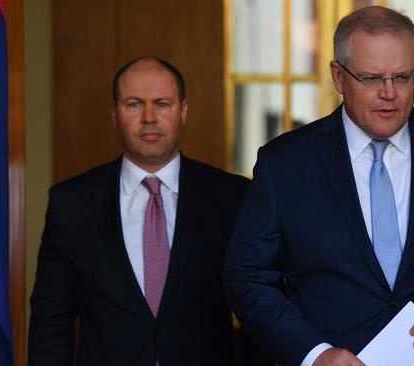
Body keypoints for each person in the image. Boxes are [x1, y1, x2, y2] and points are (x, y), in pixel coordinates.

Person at [223, 6, 414, 366]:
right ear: (338, 77)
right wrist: (314, 354)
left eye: (402, 77)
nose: (390, 93)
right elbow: (247, 277)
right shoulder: (285, 164)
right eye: (372, 78)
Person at [28, 57, 249, 365]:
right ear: (114, 114)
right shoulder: (72, 203)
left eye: (162, 104)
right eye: (134, 104)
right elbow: (51, 319)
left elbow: (256, 309)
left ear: (183, 111)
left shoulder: (232, 197)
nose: (149, 117)